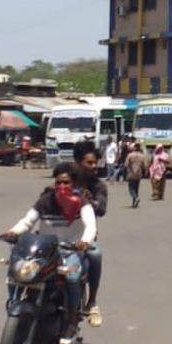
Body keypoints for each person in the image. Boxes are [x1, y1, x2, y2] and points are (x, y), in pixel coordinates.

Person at [0, 163, 96, 344]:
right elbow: (28, 221)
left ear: (73, 184)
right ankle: (14, 304)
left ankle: (71, 319)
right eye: (58, 182)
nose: (62, 187)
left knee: (72, 277)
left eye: (66, 183)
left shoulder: (81, 202)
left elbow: (90, 225)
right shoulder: (45, 200)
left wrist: (84, 241)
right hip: (45, 250)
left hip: (70, 250)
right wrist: (12, 232)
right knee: (16, 273)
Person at [73, 140, 107, 328]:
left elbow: (101, 208)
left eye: (95, 163)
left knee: (95, 254)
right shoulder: (66, 178)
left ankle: (92, 301)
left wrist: (90, 202)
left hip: (85, 235)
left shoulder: (99, 186)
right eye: (90, 163)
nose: (94, 166)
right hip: (60, 232)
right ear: (78, 162)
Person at [124, 143, 148, 208]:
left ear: (134, 148)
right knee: (136, 189)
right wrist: (146, 172)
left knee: (131, 189)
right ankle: (134, 203)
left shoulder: (130, 155)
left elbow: (126, 165)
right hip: (139, 174)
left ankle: (136, 198)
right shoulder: (142, 156)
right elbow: (145, 165)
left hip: (131, 173)